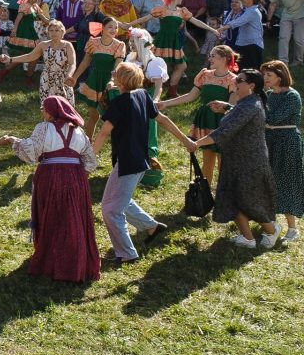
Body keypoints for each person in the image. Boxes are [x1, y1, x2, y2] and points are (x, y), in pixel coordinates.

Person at [92, 62, 191, 265]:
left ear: (120, 80)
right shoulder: (142, 95)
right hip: (138, 160)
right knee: (118, 199)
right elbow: (162, 119)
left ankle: (127, 254)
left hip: (128, 162)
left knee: (111, 211)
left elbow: (104, 132)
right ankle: (151, 226)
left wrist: (89, 158)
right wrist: (185, 140)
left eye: (115, 73)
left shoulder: (119, 103)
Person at [0, 96, 100, 283]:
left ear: (52, 112)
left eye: (44, 109)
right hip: (76, 178)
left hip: (51, 176)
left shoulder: (44, 128)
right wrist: (75, 173)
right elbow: (91, 161)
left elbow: (31, 151)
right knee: (73, 217)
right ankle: (75, 261)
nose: (42, 112)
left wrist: (13, 141)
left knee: (53, 217)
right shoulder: (79, 132)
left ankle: (54, 260)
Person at [187, 69, 281, 248]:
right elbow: (238, 117)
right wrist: (227, 107)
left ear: (251, 86)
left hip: (249, 163)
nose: (235, 82)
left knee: (248, 201)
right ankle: (248, 238)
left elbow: (223, 132)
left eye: (240, 80)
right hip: (237, 161)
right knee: (231, 198)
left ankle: (271, 230)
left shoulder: (250, 106)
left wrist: (196, 144)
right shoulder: (247, 102)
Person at [157, 45, 237, 185]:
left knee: (223, 163)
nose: (209, 58)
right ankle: (205, 196)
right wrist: (166, 103)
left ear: (224, 59)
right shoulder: (205, 75)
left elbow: (232, 106)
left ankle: (224, 197)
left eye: (213, 56)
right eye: (210, 55)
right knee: (207, 160)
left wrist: (222, 110)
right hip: (206, 120)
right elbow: (190, 96)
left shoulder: (233, 80)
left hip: (222, 121)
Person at [261, 61, 303, 243]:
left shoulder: (292, 96)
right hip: (270, 141)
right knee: (269, 181)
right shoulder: (268, 94)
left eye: (269, 75)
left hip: (287, 143)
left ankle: (292, 228)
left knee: (287, 182)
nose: (265, 78)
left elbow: (272, 118)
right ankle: (270, 222)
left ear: (280, 76)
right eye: (264, 75)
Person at [69, 17, 126, 136]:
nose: (114, 29)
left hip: (110, 84)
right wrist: (74, 77)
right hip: (94, 81)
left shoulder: (119, 45)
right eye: (110, 26)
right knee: (94, 116)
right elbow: (85, 61)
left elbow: (117, 66)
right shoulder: (93, 42)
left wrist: (111, 81)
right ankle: (88, 145)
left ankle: (117, 146)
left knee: (113, 119)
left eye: (116, 27)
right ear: (103, 28)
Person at [1, 19, 77, 103]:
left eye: (57, 30)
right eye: (51, 30)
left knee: (65, 108)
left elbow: (72, 64)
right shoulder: (43, 45)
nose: (54, 33)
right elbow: (29, 56)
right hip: (47, 79)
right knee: (48, 108)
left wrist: (69, 75)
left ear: (62, 32)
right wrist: (11, 59)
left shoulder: (67, 45)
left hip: (63, 79)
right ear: (48, 32)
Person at [219, 0, 264, 70]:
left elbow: (239, 21)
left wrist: (223, 28)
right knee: (242, 70)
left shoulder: (252, 11)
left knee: (252, 71)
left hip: (252, 45)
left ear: (251, 0)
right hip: (245, 44)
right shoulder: (248, 10)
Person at [267, 0, 304, 66]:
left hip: (300, 15)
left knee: (298, 40)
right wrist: (269, 19)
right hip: (287, 15)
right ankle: (283, 62)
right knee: (283, 38)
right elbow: (273, 4)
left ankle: (298, 61)